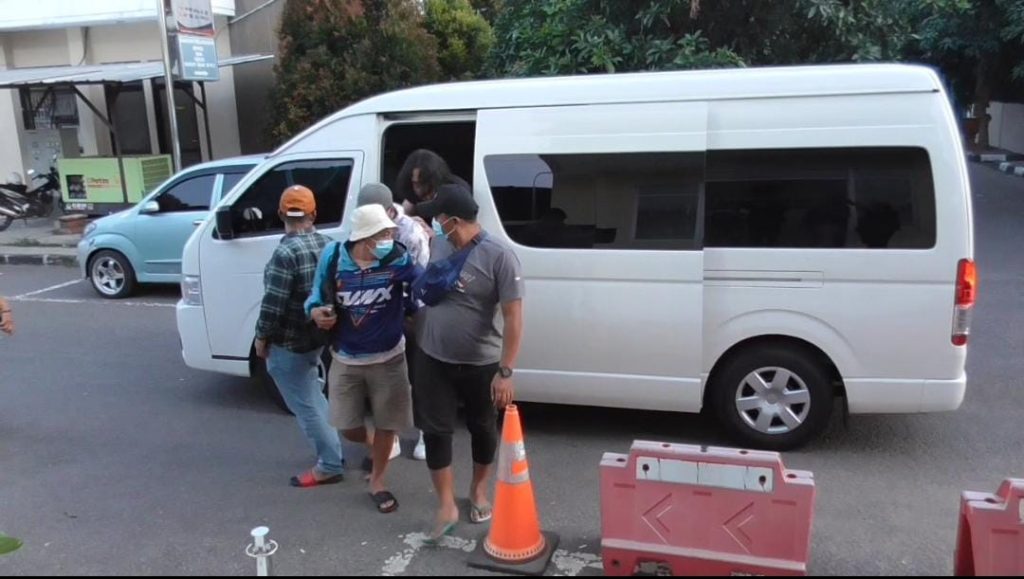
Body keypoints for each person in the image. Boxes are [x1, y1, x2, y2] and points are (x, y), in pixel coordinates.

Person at [411, 183, 525, 542]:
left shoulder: (500, 256)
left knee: (483, 428)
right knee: (435, 431)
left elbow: (514, 318)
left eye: (438, 217)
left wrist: (505, 372)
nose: (435, 222)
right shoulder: (440, 243)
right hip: (432, 357)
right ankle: (446, 504)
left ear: (453, 220)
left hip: (480, 363)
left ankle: (478, 490)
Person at [306, 203, 424, 514]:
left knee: (389, 423)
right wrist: (316, 313)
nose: (389, 239)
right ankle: (374, 444)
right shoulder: (334, 256)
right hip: (346, 357)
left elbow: (422, 283)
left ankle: (378, 481)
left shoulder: (396, 257)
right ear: (364, 237)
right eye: (383, 235)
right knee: (345, 424)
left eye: (390, 233)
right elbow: (315, 296)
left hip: (389, 357)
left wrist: (411, 266)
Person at [254, 185, 344, 488]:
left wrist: (261, 338)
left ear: (281, 214)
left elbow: (273, 304)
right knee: (315, 397)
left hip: (289, 342)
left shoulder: (285, 253)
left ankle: (330, 464)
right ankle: (334, 451)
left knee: (306, 405)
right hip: (317, 338)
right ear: (313, 214)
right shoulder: (329, 245)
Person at [356, 183, 431, 461]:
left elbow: (419, 278)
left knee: (420, 375)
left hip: (411, 310)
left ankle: (425, 434)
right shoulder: (363, 227)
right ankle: (391, 436)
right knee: (385, 378)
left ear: (389, 211)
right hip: (379, 308)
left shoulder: (411, 233)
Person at [395, 149, 470, 222]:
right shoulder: (411, 199)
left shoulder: (457, 192)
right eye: (416, 183)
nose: (420, 189)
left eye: (424, 182)